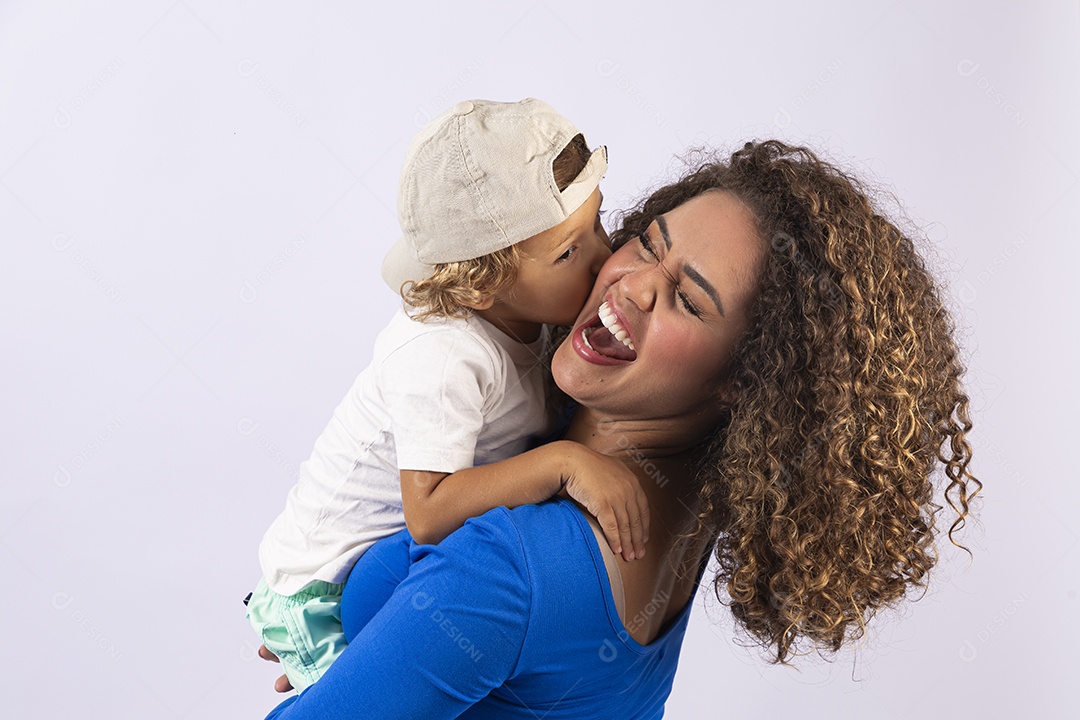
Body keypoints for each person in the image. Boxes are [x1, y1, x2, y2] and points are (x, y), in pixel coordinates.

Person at [259, 140, 981, 718]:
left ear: (746, 380)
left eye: (688, 302)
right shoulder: (680, 512)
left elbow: (498, 601)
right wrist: (378, 666)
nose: (630, 283)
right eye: (646, 242)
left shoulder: (510, 566)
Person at [247, 98, 652, 694]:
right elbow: (430, 511)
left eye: (596, 223)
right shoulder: (445, 354)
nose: (601, 255)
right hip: (317, 589)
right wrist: (567, 463)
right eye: (569, 251)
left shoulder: (535, 319)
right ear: (483, 286)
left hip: (384, 567)